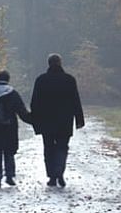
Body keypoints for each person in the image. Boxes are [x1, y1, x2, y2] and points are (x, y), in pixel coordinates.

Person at [30, 53, 85, 187]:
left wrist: (35, 119)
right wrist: (79, 119)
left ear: (48, 64)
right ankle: (59, 173)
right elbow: (75, 100)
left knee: (48, 148)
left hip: (46, 121)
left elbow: (34, 102)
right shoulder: (69, 80)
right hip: (64, 121)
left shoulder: (41, 80)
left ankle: (52, 177)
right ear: (60, 63)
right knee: (62, 147)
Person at [0, 70, 32, 188]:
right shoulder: (13, 94)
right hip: (9, 128)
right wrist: (33, 120)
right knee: (9, 152)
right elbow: (22, 111)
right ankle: (9, 176)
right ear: (8, 79)